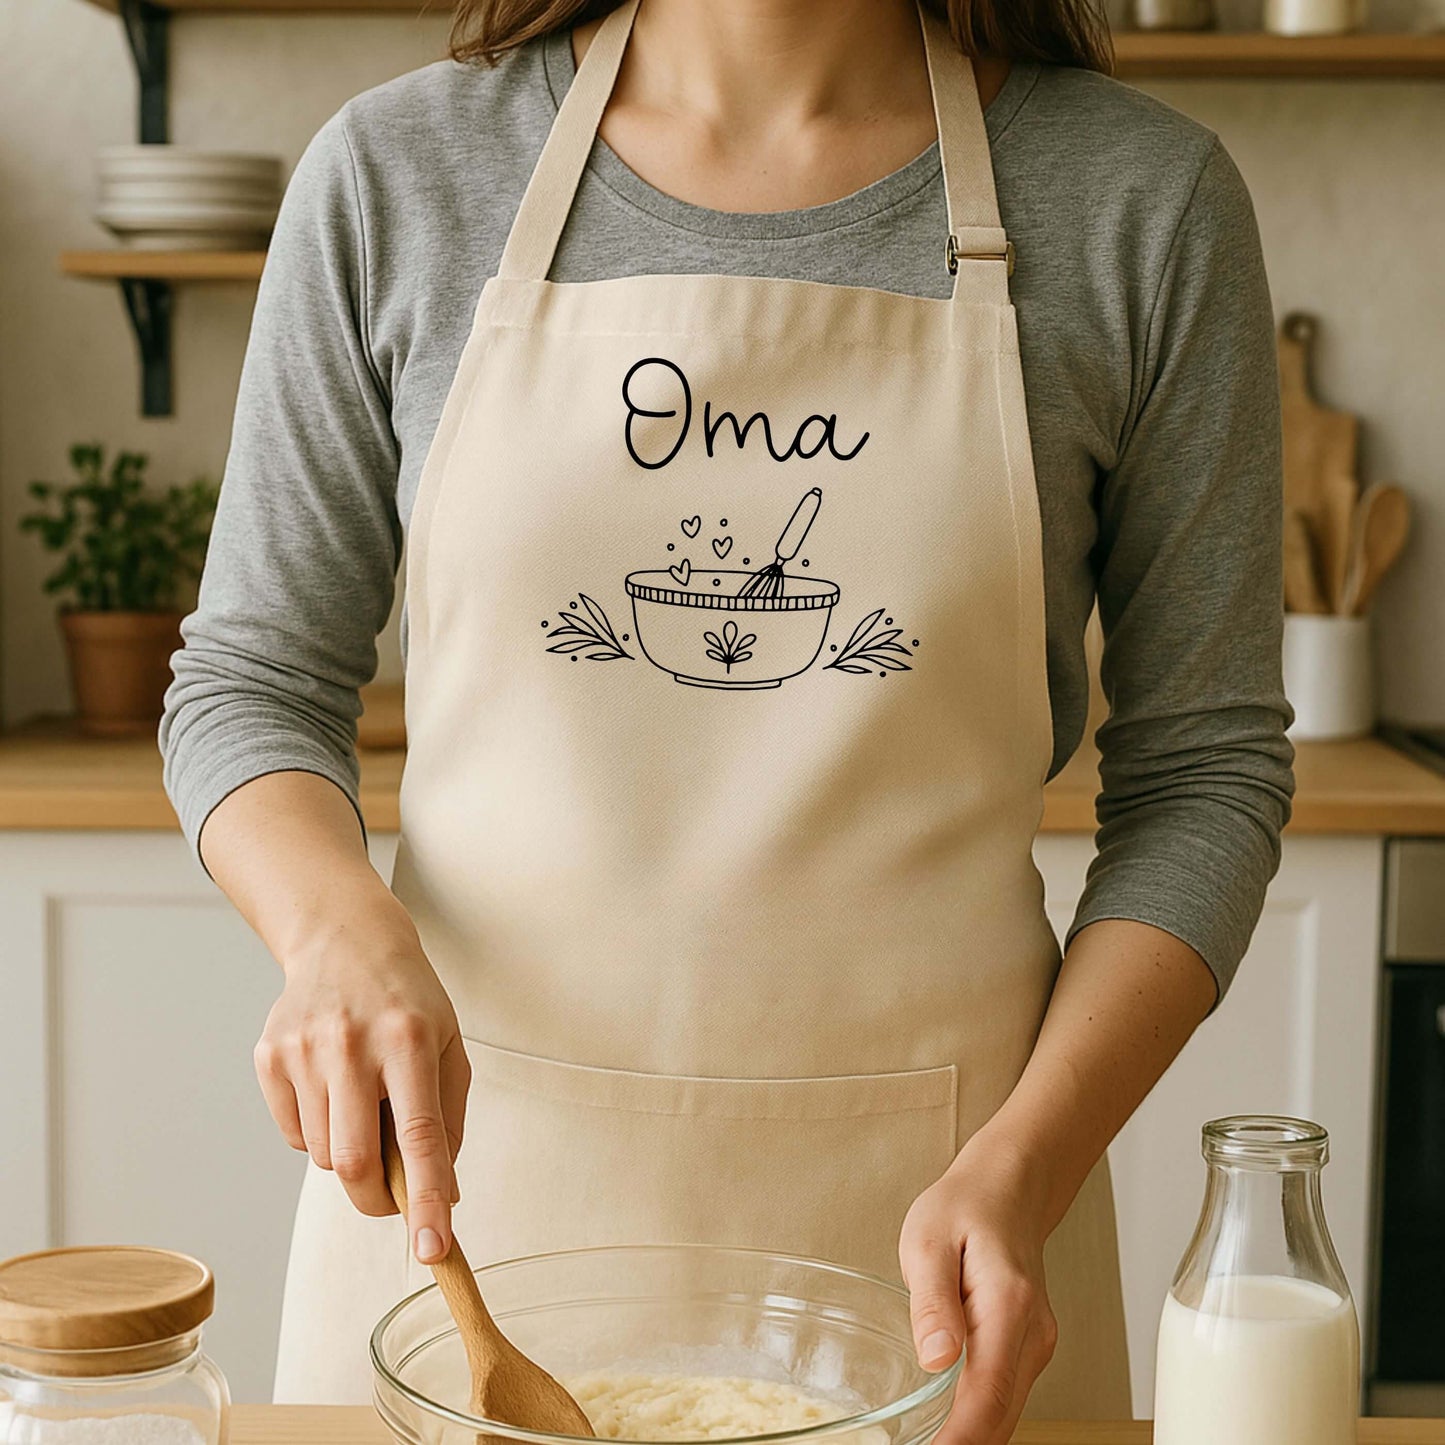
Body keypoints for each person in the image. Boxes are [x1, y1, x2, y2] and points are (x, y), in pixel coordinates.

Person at [161, 0, 1294, 1435]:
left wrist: (1034, 1158)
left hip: (941, 1265)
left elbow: (1205, 771)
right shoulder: (399, 174)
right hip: (463, 1253)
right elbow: (249, 679)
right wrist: (334, 934)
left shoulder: (1139, 202)